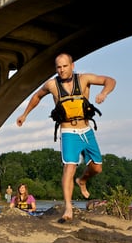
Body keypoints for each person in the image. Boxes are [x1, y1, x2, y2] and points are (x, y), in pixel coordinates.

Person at [16, 53, 116, 222]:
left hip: (86, 130)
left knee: (97, 168)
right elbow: (37, 96)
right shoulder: (52, 85)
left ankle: (82, 180)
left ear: (72, 65)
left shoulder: (84, 79)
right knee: (69, 167)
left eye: (64, 66)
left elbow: (110, 80)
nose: (61, 70)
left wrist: (104, 93)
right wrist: (25, 114)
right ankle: (68, 207)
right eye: (58, 67)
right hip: (68, 132)